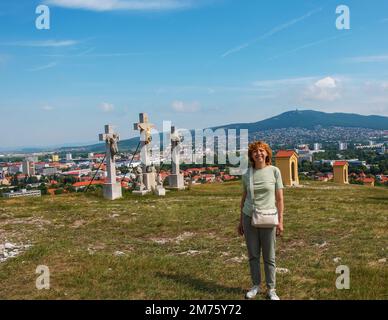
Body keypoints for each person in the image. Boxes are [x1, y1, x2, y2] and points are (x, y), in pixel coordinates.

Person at [237, 141, 284, 300]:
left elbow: (279, 199)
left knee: (269, 256)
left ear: (267, 153)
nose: (258, 153)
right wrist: (240, 221)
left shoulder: (274, 171)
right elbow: (244, 198)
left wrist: (281, 221)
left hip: (269, 218)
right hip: (249, 217)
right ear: (251, 155)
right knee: (253, 254)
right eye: (255, 151)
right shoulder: (247, 174)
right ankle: (256, 285)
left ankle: (271, 289)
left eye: (261, 150)